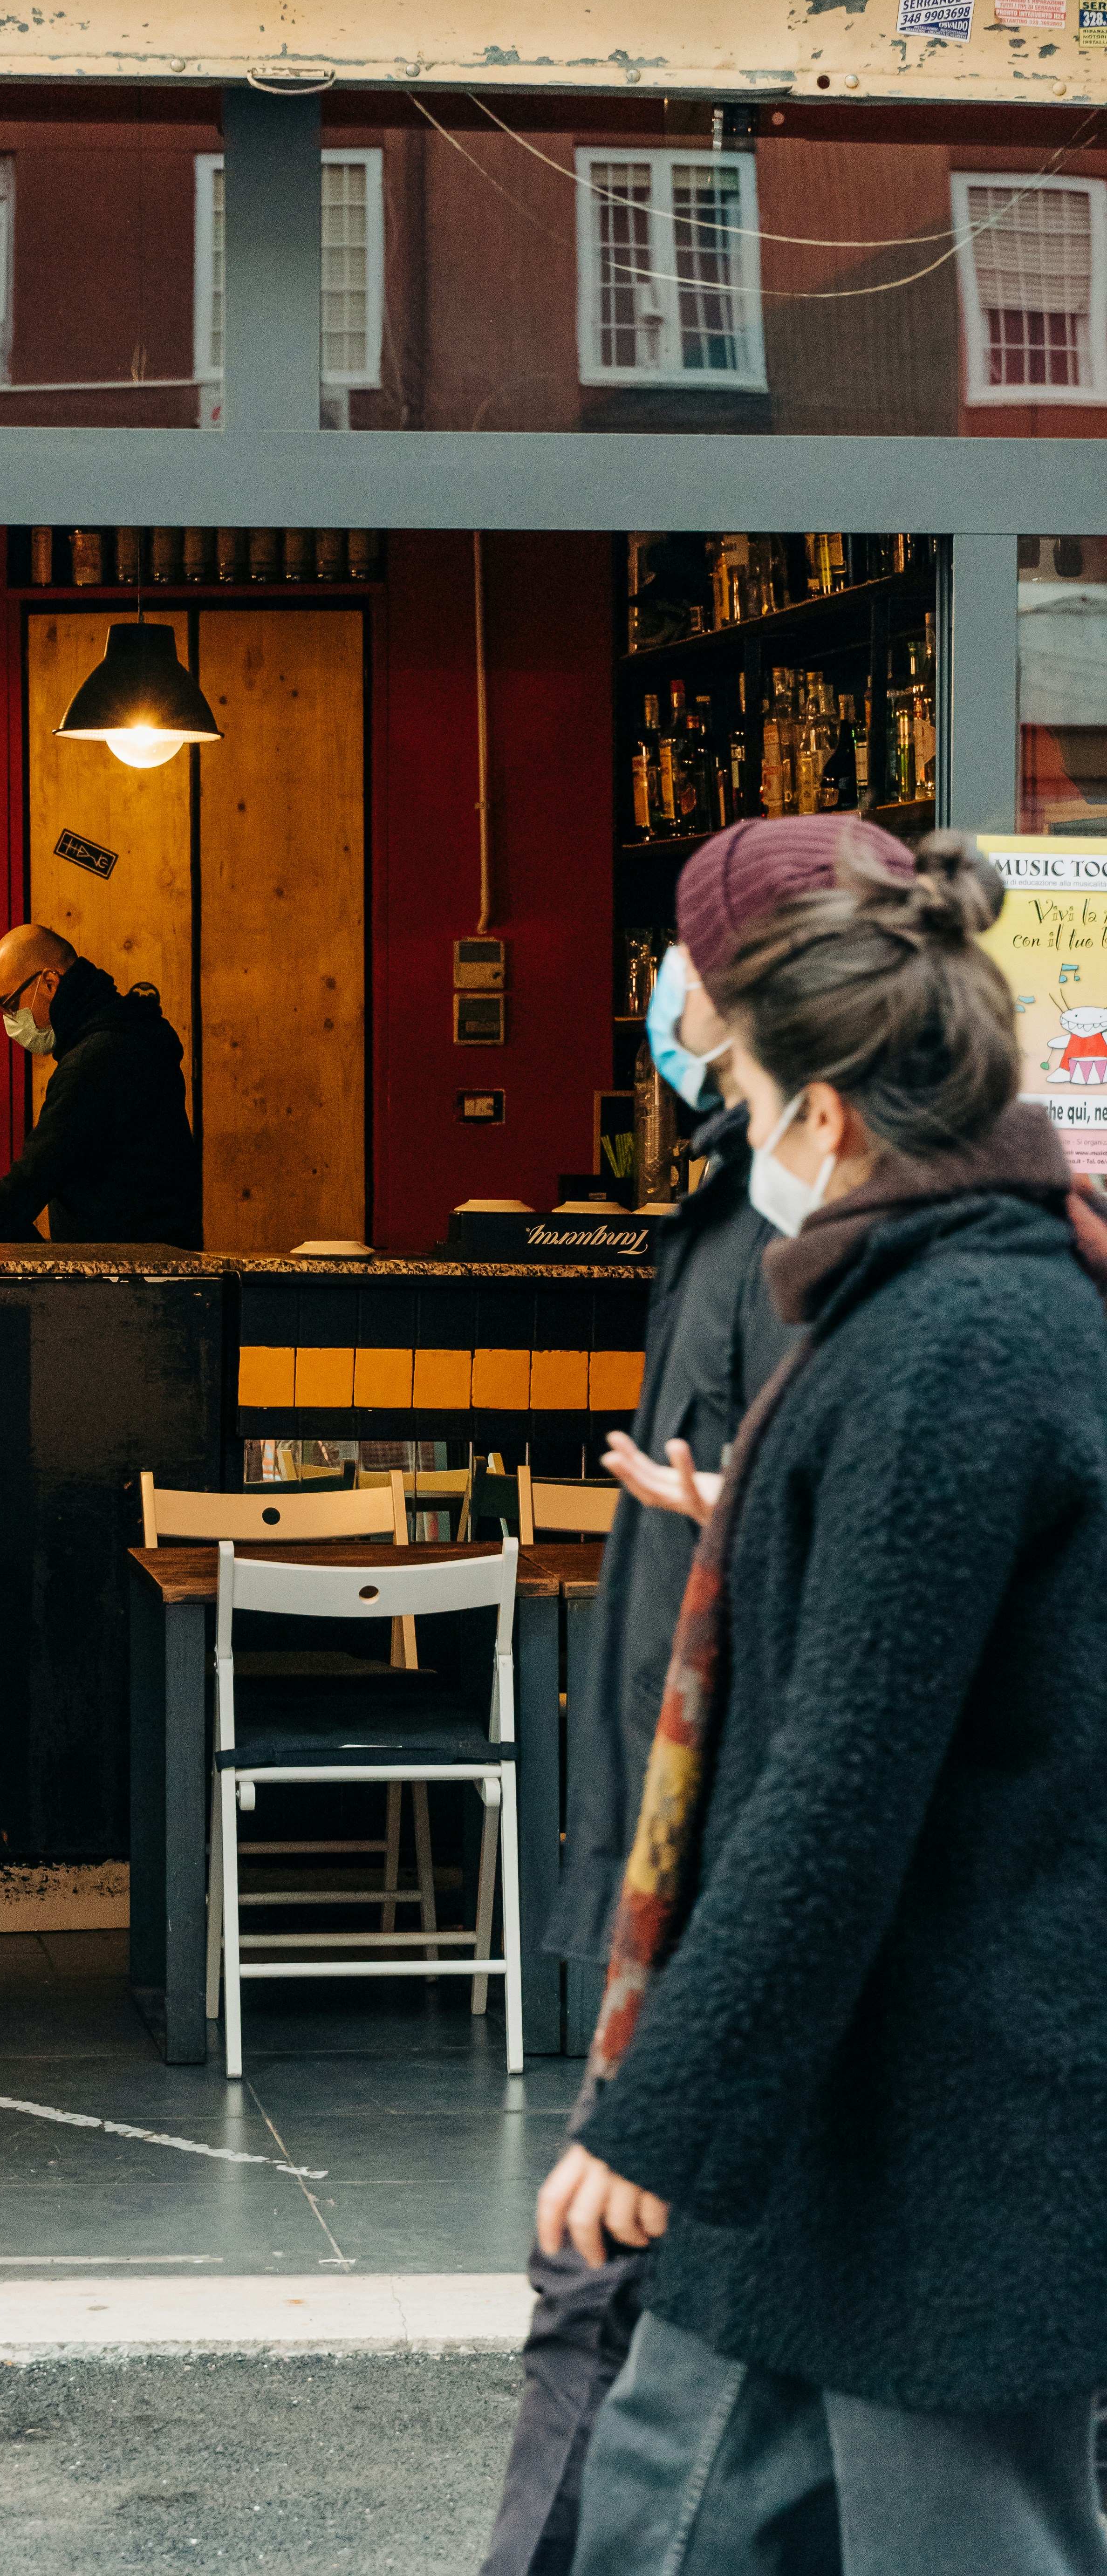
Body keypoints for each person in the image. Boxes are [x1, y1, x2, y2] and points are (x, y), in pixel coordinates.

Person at [539, 831, 1107, 2575]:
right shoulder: (985, 1307)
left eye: (736, 1085)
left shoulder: (947, 1344)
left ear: (828, 1116)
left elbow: (838, 1781)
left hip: (940, 2129)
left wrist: (659, 2107)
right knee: (665, 2507)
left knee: (928, 2538)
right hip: (866, 2126)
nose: (730, 1126)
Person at [482, 817, 914, 2576]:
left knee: (614, 2299)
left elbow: (842, 1637)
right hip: (680, 1820)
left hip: (717, 1854)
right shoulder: (760, 1211)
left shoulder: (829, 1245)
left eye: (698, 996)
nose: (676, 1025)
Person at [0, 923, 203, 1248]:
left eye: (11, 1004)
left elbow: (35, 1177)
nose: (10, 1021)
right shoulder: (128, 1034)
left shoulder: (97, 1060)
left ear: (50, 982)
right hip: (155, 1262)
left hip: (128, 1279)